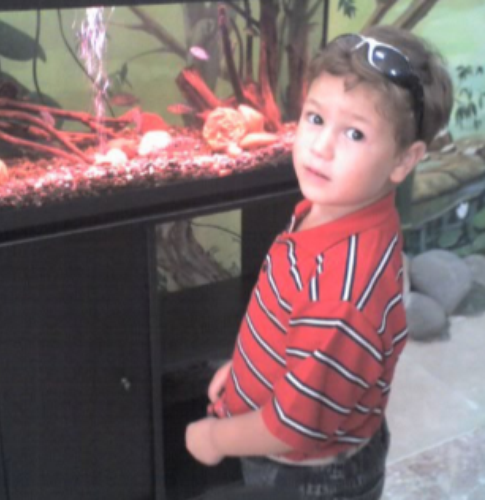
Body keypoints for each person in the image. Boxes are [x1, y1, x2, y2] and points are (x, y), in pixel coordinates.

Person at [186, 25, 453, 499]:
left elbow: (295, 426)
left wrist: (214, 439)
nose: (320, 146)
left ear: (403, 160)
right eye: (315, 118)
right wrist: (245, 374)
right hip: (301, 438)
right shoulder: (339, 209)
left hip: (309, 475)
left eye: (354, 132)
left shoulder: (342, 293)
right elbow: (294, 332)